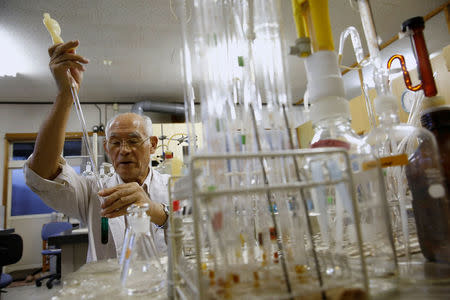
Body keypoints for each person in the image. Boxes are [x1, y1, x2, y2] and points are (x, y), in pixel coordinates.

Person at [24, 40, 170, 261]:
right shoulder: (94, 192)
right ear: (106, 148)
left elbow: (196, 230)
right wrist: (66, 94)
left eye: (133, 140)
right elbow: (41, 173)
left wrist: (153, 210)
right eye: (115, 142)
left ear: (152, 144)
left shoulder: (172, 188)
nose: (124, 150)